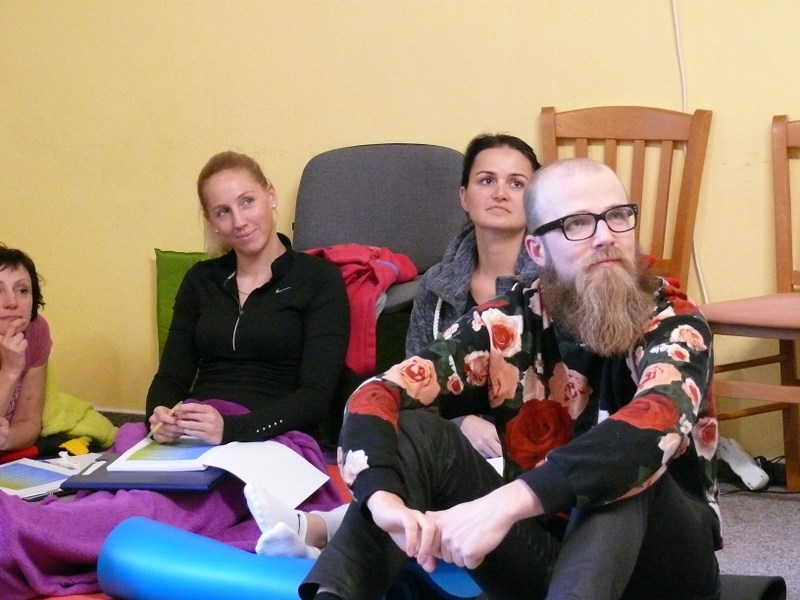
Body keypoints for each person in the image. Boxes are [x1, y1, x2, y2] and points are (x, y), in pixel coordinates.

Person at [299, 157, 721, 600]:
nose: (605, 237)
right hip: (551, 561)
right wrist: (381, 498)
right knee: (419, 432)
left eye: (617, 216)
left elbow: (651, 425)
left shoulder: (675, 321)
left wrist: (503, 503)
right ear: (537, 251)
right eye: (577, 223)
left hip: (667, 569)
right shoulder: (504, 323)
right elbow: (377, 392)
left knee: (625, 472)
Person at [0, 151, 350, 599]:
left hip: (271, 436)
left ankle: (18, 530)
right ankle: (32, 529)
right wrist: (160, 414)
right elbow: (171, 374)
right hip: (193, 430)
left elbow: (316, 395)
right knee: (115, 494)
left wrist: (232, 429)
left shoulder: (318, 280)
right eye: (222, 211)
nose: (239, 220)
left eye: (247, 201)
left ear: (270, 195)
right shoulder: (201, 281)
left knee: (155, 509)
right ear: (211, 221)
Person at [245, 134, 542, 560]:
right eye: (486, 180)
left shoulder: (550, 284)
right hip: (448, 440)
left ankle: (320, 531)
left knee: (428, 466)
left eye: (516, 183)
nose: (499, 193)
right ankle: (319, 533)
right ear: (463, 196)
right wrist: (463, 424)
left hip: (524, 455)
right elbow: (412, 382)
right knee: (408, 435)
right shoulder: (436, 285)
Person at [0, 245, 50, 453]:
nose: (12, 302)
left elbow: (28, 421)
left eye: (22, 290)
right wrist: (10, 371)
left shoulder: (36, 329)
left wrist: (6, 441)